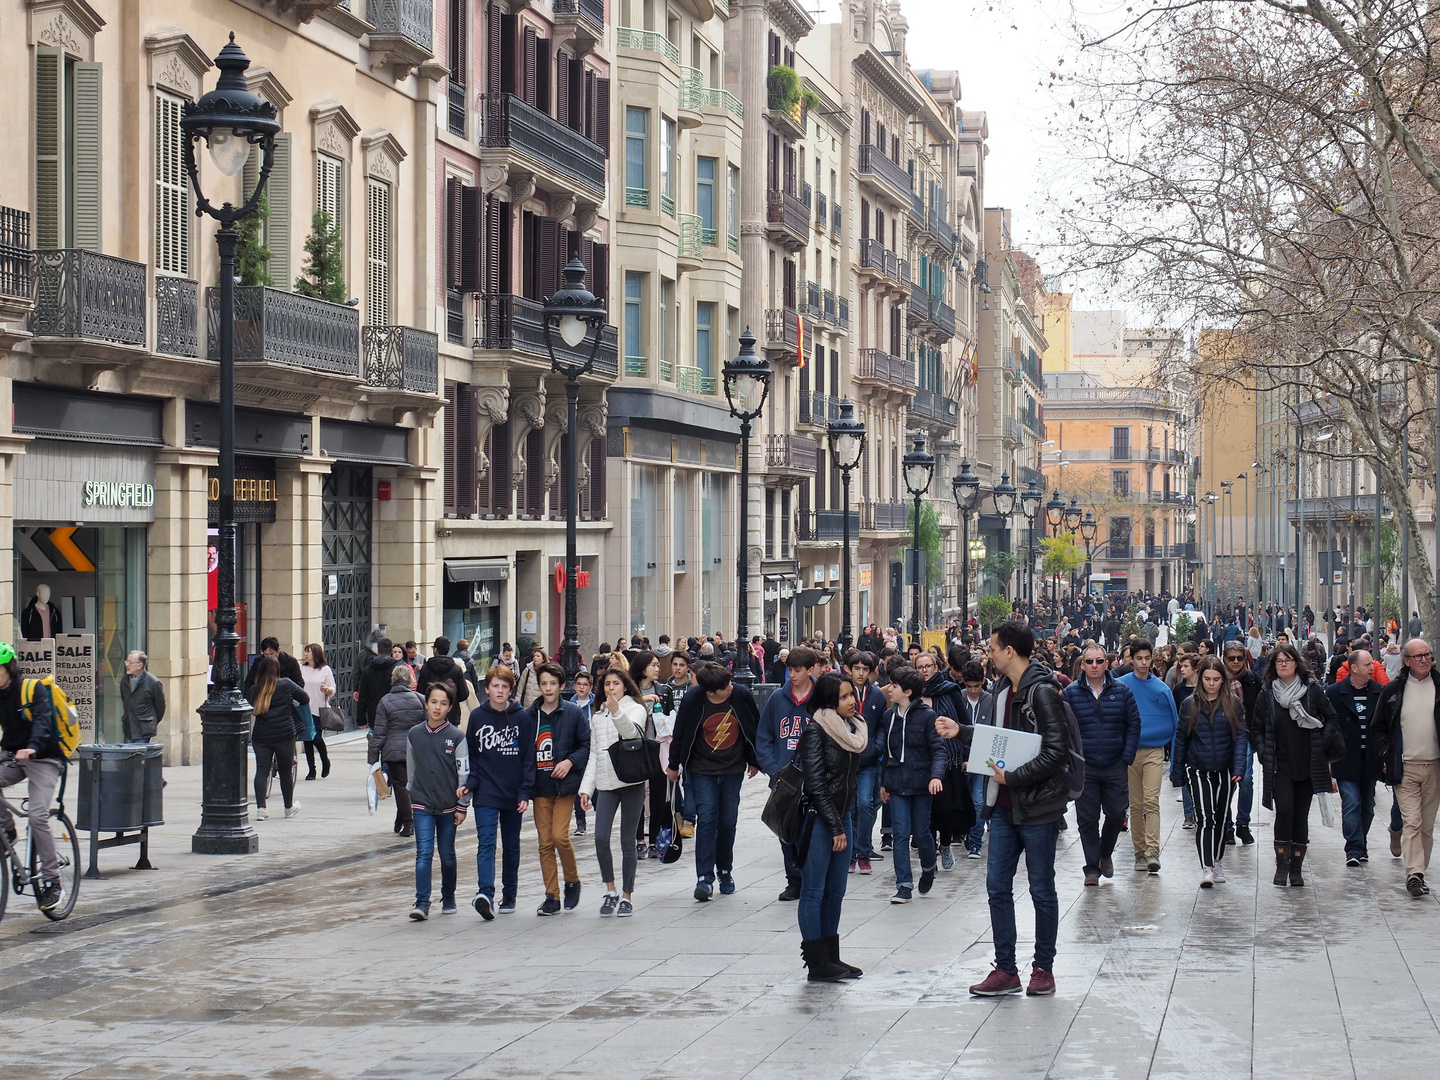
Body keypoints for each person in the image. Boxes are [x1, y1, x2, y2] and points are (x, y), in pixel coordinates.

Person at [968, 621, 1070, 999]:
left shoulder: (1042, 692)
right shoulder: (1000, 690)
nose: (988, 652)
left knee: (1042, 890)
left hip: (1038, 807)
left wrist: (1013, 777)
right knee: (997, 888)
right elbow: (998, 741)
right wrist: (961, 735)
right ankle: (1006, 969)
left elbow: (1055, 752)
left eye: (993, 647)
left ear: (1009, 651)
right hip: (1003, 808)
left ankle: (1043, 968)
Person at [1252, 643, 1344, 888]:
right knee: (1284, 810)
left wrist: (1322, 743)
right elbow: (1256, 728)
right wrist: (1262, 751)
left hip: (1308, 763)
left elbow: (1332, 718)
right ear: (1273, 666)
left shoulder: (1312, 691)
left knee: (1301, 816)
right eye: (1279, 661)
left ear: (1296, 663)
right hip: (1280, 765)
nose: (1283, 664)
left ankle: (1296, 869)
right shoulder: (1267, 694)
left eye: (1288, 660)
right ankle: (1281, 866)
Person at [667, 661, 760, 900]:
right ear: (709, 691)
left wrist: (755, 760)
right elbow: (680, 734)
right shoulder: (692, 700)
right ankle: (704, 878)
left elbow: (753, 725)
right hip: (701, 770)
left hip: (732, 768)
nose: (730, 687)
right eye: (724, 685)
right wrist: (673, 765)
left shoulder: (740, 694)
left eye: (729, 682)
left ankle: (725, 870)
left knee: (728, 822)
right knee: (707, 820)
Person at [796, 672, 867, 982]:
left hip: (844, 817)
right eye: (843, 697)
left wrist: (843, 822)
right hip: (820, 820)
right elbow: (816, 785)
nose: (851, 701)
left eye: (852, 694)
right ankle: (816, 963)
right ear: (829, 702)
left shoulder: (852, 729)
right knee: (813, 891)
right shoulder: (816, 731)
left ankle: (831, 957)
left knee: (835, 891)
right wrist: (835, 826)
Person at [459, 664, 536, 919]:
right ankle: (485, 894)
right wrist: (470, 783)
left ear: (510, 690)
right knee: (487, 844)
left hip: (514, 792)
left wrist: (525, 791)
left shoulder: (521, 717)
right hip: (486, 792)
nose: (500, 691)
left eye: (504, 687)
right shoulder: (478, 717)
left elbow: (528, 757)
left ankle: (510, 894)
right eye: (495, 686)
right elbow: (472, 753)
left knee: (511, 845)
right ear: (487, 688)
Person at [1063, 644, 1141, 886]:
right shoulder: (1071, 693)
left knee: (1117, 814)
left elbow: (1134, 724)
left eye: (1099, 661)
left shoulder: (1122, 691)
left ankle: (1105, 852)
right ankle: (1091, 868)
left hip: (1114, 763)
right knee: (1087, 819)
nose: (1094, 666)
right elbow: (1061, 728)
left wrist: (1126, 756)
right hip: (1084, 768)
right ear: (1082, 665)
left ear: (1107, 663)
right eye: (1089, 662)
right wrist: (1071, 759)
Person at [1171, 657, 1247, 888]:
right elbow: (1181, 739)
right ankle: (1207, 868)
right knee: (1205, 818)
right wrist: (1178, 773)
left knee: (1222, 818)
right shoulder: (1189, 704)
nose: (1211, 684)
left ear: (1222, 680)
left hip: (1225, 769)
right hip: (1198, 768)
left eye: (1216, 679)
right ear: (1201, 678)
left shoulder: (1233, 703)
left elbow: (1241, 736)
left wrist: (1239, 767)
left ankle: (1217, 860)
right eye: (1207, 679)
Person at [1373, 638, 1440, 896]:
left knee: (1426, 825)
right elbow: (1378, 727)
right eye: (1419, 656)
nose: (1424, 660)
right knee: (1412, 822)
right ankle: (1414, 873)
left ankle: (1419, 870)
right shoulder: (1393, 691)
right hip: (1405, 767)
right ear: (1406, 661)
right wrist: (1386, 753)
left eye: (1428, 655)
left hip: (1434, 766)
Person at [579, 667, 648, 917]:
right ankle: (610, 890)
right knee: (600, 837)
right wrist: (586, 788)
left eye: (615, 684)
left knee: (627, 841)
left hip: (631, 781)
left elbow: (631, 734)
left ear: (625, 686)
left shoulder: (636, 709)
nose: (610, 688)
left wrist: (617, 711)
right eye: (606, 684)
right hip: (606, 783)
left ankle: (627, 895)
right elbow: (594, 754)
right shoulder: (597, 715)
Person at [0, 642, 63, 910]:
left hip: (44, 757)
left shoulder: (31, 688)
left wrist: (33, 747)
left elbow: (43, 721)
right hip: (13, 756)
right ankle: (8, 828)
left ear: (9, 669)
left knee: (38, 815)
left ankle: (53, 881)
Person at [757, 646, 820, 901]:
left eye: (797, 670)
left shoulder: (821, 698)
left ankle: (812, 879)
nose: (792, 675)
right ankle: (793, 881)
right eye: (789, 670)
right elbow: (764, 737)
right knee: (786, 831)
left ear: (810, 670)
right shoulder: (777, 699)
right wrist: (773, 769)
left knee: (811, 832)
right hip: (785, 778)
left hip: (814, 777)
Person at [405, 680, 470, 920]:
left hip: (448, 805)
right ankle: (422, 902)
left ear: (450, 707)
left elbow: (464, 773)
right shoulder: (414, 734)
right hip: (422, 803)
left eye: (443, 703)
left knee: (447, 853)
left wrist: (462, 805)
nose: (437, 707)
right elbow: (411, 769)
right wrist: (412, 792)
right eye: (433, 702)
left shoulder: (456, 737)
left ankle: (449, 895)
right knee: (423, 853)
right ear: (426, 704)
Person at [879, 666, 945, 904]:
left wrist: (936, 776)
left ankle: (928, 866)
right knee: (899, 834)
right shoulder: (888, 716)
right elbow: (886, 754)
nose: (890, 689)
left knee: (921, 833)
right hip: (897, 783)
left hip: (921, 784)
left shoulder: (928, 716)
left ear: (907, 691)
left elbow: (938, 749)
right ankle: (904, 885)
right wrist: (884, 783)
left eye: (894, 686)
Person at [529, 661, 590, 916]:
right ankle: (551, 896)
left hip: (565, 787)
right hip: (540, 786)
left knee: (559, 836)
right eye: (544, 684)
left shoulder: (574, 713)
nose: (548, 688)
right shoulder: (530, 715)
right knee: (544, 843)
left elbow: (586, 747)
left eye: (553, 683)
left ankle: (572, 879)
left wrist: (569, 761)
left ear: (562, 686)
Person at [1120, 638, 1179, 873]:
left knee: (1151, 801)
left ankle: (1152, 851)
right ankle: (1139, 853)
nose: (1144, 663)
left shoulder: (1162, 689)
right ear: (1132, 659)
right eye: (1139, 658)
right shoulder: (1121, 685)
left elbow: (1174, 723)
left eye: (1147, 658)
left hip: (1154, 750)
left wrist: (1175, 759)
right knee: (1136, 804)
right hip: (1130, 751)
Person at [1326, 650, 1386, 866]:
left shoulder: (1380, 692)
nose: (1373, 667)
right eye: (1368, 664)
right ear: (1354, 668)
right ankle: (1353, 848)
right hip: (1345, 759)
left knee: (1367, 806)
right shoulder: (1334, 693)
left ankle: (1361, 842)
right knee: (1351, 802)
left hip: (1371, 759)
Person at [915, 650, 972, 869]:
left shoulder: (950, 690)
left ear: (936, 667)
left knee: (946, 808)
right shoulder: (913, 693)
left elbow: (965, 723)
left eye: (928, 666)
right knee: (926, 810)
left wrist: (967, 756)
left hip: (949, 757)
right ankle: (930, 854)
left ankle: (946, 843)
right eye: (920, 667)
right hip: (922, 760)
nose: (924, 671)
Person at [245, 655, 307, 820]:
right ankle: (288, 807)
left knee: (262, 771)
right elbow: (304, 697)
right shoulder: (285, 684)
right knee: (286, 771)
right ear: (277, 670)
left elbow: (250, 706)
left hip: (261, 735)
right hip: (284, 733)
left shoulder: (255, 689)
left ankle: (261, 809)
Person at [630, 651, 677, 859]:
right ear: (642, 668)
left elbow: (670, 719)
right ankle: (639, 839)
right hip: (636, 749)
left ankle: (654, 839)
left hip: (658, 747)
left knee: (658, 795)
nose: (657, 669)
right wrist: (642, 699)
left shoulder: (665, 690)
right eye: (653, 665)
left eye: (658, 665)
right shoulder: (630, 690)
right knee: (637, 795)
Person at [845, 651, 887, 873]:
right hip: (847, 760)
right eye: (857, 669)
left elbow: (881, 724)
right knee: (849, 807)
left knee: (865, 804)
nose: (860, 673)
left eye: (865, 669)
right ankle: (850, 855)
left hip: (868, 760)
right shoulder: (842, 693)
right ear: (849, 670)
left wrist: (876, 746)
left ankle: (863, 852)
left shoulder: (878, 696)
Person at [371, 664, 425, 836]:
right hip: (417, 749)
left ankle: (408, 822)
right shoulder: (420, 699)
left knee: (400, 786)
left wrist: (373, 756)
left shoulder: (385, 701)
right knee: (412, 785)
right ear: (410, 679)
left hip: (394, 751)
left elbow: (379, 732)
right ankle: (402, 819)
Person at [1223, 643, 1263, 845]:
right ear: (1225, 659)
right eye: (1232, 658)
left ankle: (1243, 823)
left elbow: (1260, 708)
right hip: (1222, 736)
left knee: (1246, 779)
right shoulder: (1217, 679)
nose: (1236, 662)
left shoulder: (1253, 680)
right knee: (1226, 782)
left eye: (1240, 658)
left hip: (1245, 735)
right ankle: (1226, 825)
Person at [299, 643, 335, 780]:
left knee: (317, 738)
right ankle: (311, 770)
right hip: (304, 708)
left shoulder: (325, 670)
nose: (306, 654)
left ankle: (325, 760)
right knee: (307, 740)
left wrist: (327, 689)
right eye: (305, 651)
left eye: (308, 651)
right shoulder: (302, 668)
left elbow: (332, 689)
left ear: (315, 653)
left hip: (318, 708)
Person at [417, 636, 471, 724]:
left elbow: (420, 693)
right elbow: (464, 694)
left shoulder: (426, 668)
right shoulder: (456, 669)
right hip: (451, 715)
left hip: (430, 716)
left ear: (435, 650)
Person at [120, 650, 166, 744]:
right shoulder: (125, 681)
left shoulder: (153, 682)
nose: (127, 665)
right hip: (129, 727)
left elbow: (160, 707)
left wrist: (150, 722)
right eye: (126, 661)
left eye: (130, 662)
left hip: (144, 729)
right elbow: (125, 700)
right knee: (132, 755)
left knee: (137, 755)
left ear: (140, 665)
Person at [356, 636, 399, 728]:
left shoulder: (368, 670)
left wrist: (361, 720)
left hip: (375, 714)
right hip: (395, 713)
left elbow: (363, 697)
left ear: (378, 651)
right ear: (392, 651)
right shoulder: (398, 670)